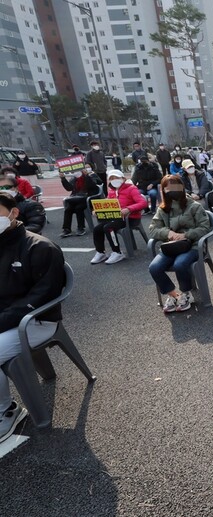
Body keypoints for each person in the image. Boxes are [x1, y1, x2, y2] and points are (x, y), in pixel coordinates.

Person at [0, 191, 65, 443]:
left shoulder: (40, 247)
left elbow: (42, 297)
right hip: (9, 322)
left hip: (37, 321)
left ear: (14, 213)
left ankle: (8, 410)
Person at [148, 175, 211, 313]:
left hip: (193, 245)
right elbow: (153, 229)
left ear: (182, 187)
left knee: (180, 264)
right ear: (163, 190)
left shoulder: (194, 206)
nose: (172, 190)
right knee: (154, 267)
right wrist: (168, 233)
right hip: (171, 246)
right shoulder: (162, 209)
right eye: (168, 188)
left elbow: (205, 227)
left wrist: (185, 235)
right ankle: (174, 295)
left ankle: (186, 293)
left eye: (175, 186)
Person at [90, 170, 147, 265]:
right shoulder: (111, 191)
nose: (114, 180)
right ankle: (101, 252)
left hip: (131, 218)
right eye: (111, 178)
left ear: (123, 179)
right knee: (97, 229)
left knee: (108, 228)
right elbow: (108, 204)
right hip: (116, 217)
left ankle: (117, 252)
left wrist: (128, 209)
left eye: (116, 178)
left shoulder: (131, 189)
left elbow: (143, 203)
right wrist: (97, 210)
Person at [60, 166, 101, 238]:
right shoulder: (74, 178)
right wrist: (63, 178)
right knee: (68, 209)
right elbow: (69, 188)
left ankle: (81, 228)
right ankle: (66, 229)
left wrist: (86, 176)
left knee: (78, 208)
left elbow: (93, 186)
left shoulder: (92, 175)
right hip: (76, 198)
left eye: (87, 167)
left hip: (88, 198)